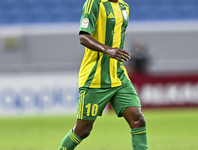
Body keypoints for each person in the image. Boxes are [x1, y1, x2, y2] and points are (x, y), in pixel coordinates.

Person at [58, 0, 148, 150]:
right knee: (83, 130)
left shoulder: (124, 7)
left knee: (138, 119)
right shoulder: (94, 3)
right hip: (95, 77)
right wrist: (107, 49)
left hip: (118, 76)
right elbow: (83, 36)